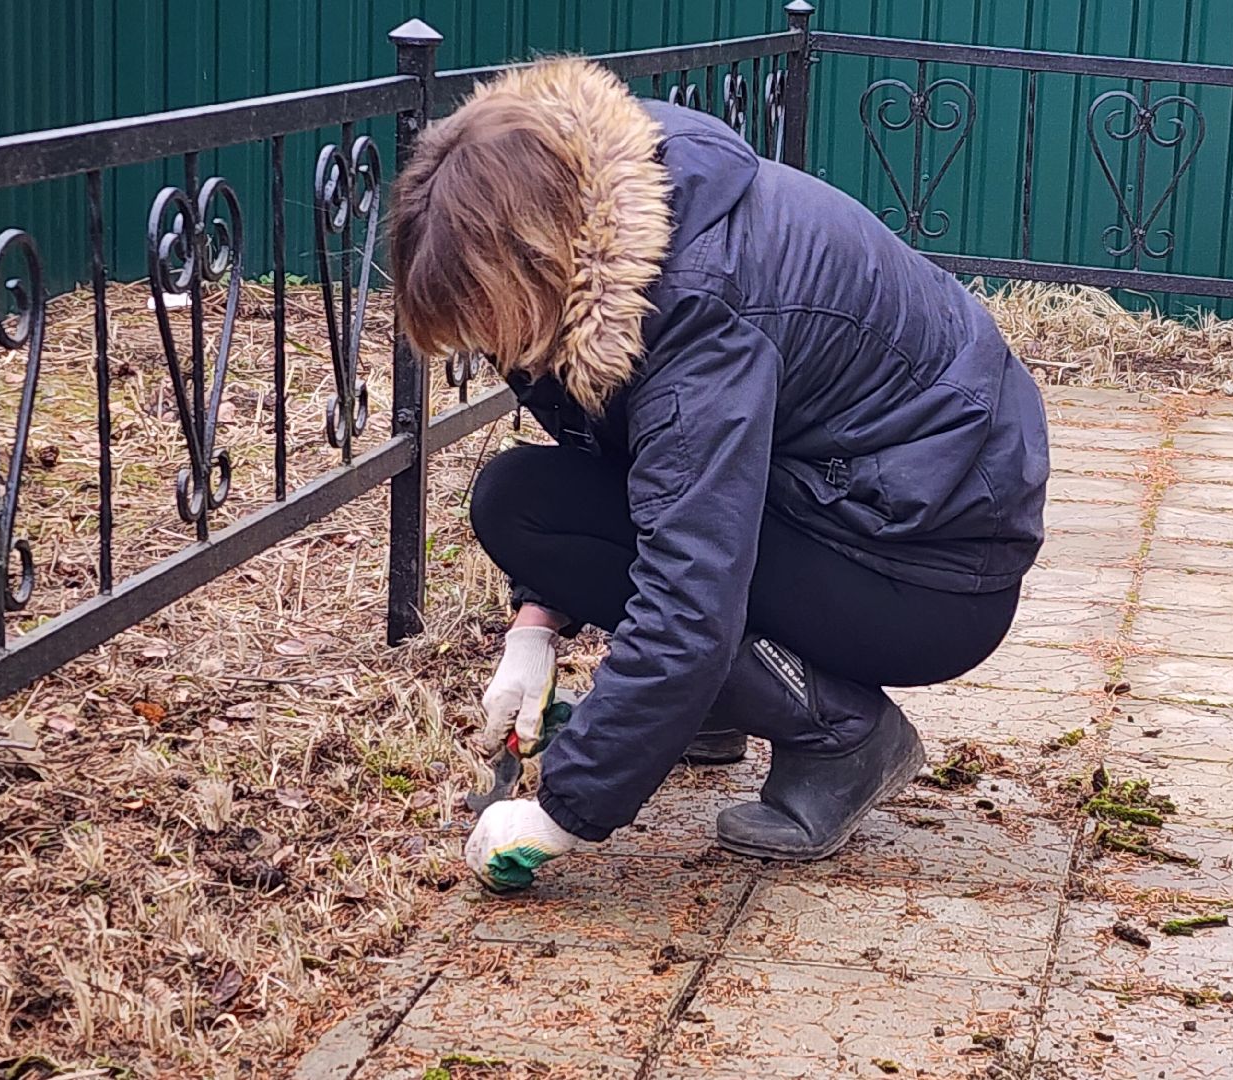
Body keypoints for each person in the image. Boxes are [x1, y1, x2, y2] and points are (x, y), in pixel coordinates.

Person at [387, 57, 1049, 892]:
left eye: (490, 321)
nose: (493, 350)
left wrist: (563, 811)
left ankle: (843, 737)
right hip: (842, 495)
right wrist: (534, 629)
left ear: (534, 261)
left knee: (679, 596)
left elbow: (689, 594)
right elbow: (636, 469)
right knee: (522, 503)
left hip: (931, 567)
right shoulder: (611, 210)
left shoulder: (700, 309)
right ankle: (716, 709)